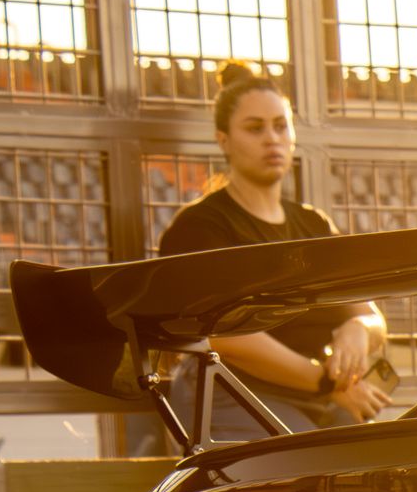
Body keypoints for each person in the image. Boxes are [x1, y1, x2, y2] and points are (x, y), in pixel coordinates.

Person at [156, 61, 391, 439]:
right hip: (230, 393)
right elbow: (227, 339)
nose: (272, 139)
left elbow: (372, 315)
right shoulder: (201, 227)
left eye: (281, 126)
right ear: (223, 140)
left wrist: (358, 330)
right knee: (311, 465)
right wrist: (326, 383)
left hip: (320, 394)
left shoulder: (313, 225)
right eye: (255, 128)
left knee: (382, 462)